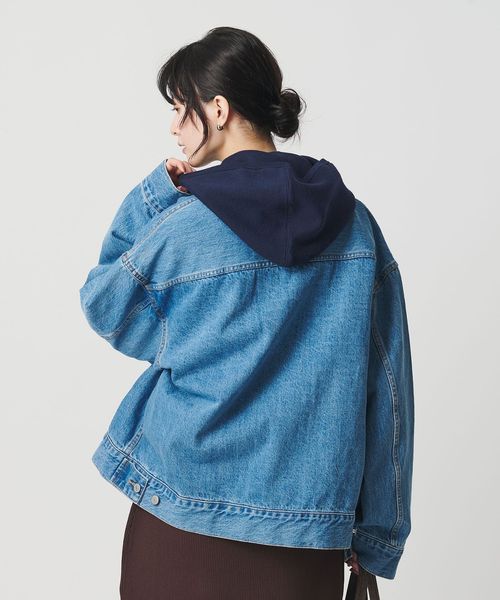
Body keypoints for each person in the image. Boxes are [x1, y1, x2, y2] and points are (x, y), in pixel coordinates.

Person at [79, 26, 414, 600]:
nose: (174, 127)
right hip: (304, 538)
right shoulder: (357, 228)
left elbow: (106, 305)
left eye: (180, 109)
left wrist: (155, 193)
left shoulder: (183, 227)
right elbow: (387, 390)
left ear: (218, 109)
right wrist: (376, 539)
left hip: (180, 518)